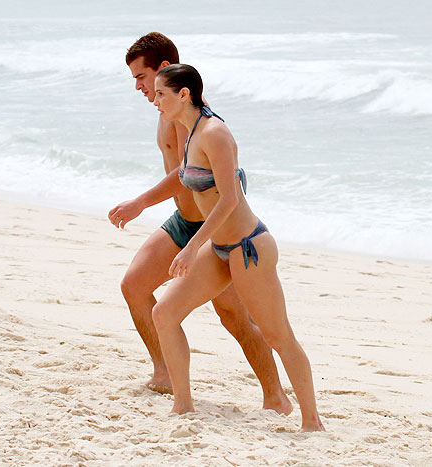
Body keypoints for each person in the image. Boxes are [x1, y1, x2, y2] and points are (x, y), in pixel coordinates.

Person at [108, 32, 291, 415]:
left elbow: (186, 172)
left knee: (235, 316)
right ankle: (165, 373)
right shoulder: (166, 109)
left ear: (163, 70)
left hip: (212, 228)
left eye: (141, 77)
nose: (139, 88)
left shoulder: (192, 114)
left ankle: (275, 395)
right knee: (134, 286)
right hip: (181, 220)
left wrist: (140, 202)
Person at [150, 63, 325, 432]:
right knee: (164, 313)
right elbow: (187, 184)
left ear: (184, 95)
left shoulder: (214, 133)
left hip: (249, 249)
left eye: (161, 93)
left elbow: (229, 199)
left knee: (278, 335)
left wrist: (190, 246)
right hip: (218, 249)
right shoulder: (189, 130)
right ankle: (183, 406)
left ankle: (312, 422)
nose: (155, 99)